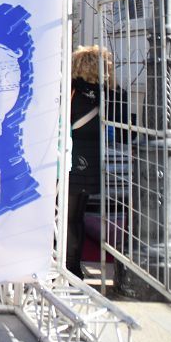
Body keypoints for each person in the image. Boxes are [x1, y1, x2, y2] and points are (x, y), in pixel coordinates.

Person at [67, 45, 127, 279]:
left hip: (69, 158)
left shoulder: (71, 90)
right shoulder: (112, 94)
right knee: (76, 216)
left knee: (65, 216)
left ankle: (68, 266)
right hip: (93, 163)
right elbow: (124, 133)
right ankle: (74, 266)